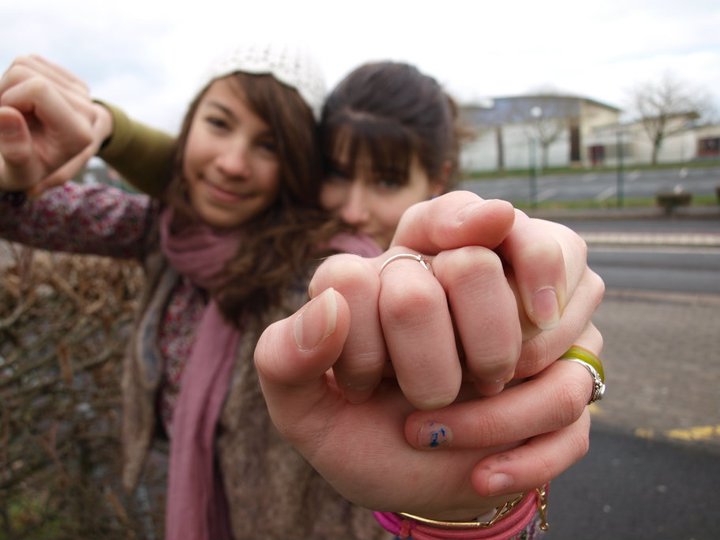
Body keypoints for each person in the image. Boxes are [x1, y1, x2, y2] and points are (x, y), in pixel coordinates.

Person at [0, 51, 605, 539]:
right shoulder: (171, 232)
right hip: (182, 494)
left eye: (269, 145)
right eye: (216, 123)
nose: (234, 163)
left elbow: (418, 463)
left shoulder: (325, 271)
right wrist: (100, 129)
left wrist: (526, 335)